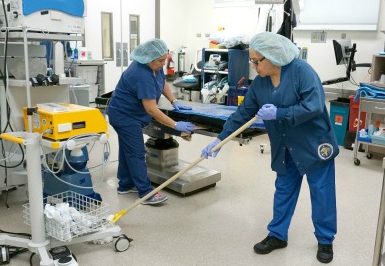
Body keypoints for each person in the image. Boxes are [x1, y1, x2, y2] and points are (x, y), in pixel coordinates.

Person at [201, 32, 338, 263]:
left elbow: (313, 106)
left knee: (321, 192)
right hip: (285, 146)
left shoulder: (301, 72)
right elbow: (244, 113)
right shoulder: (261, 82)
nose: (253, 66)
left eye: (257, 61)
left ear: (274, 56)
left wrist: (280, 113)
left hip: (313, 143)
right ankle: (277, 235)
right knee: (283, 190)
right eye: (251, 61)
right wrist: (220, 139)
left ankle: (325, 240)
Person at [107, 38, 195, 205]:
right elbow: (151, 109)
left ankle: (125, 185)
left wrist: (174, 101)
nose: (163, 63)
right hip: (124, 116)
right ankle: (146, 192)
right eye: (160, 60)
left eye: (165, 59)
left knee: (128, 150)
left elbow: (162, 84)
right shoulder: (141, 73)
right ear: (148, 58)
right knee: (136, 153)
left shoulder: (155, 66)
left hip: (130, 114)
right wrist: (176, 126)